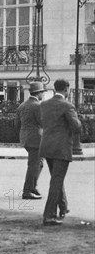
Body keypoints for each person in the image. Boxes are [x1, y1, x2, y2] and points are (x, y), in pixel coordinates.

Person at [39, 79, 82, 226]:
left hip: (47, 147)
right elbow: (76, 127)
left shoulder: (44, 104)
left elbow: (42, 122)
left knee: (56, 178)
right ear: (67, 89)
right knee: (56, 181)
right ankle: (49, 216)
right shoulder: (67, 106)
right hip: (61, 148)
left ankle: (63, 207)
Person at [16, 82, 46, 200]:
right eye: (42, 92)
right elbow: (42, 122)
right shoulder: (37, 106)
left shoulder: (22, 106)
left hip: (26, 138)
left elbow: (17, 124)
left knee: (38, 163)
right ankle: (27, 191)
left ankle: (32, 187)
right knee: (34, 165)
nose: (42, 95)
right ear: (38, 93)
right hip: (36, 139)